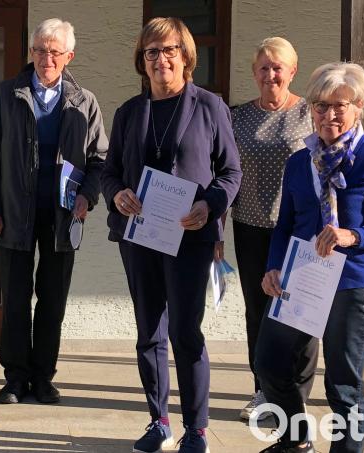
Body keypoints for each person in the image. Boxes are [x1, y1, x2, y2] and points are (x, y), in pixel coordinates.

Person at [256, 62, 364, 453]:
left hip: (352, 284)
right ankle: (294, 443)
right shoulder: (299, 161)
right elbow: (285, 226)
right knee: (269, 361)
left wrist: (353, 234)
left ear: (359, 105)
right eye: (320, 106)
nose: (328, 115)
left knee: (343, 386)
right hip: (301, 278)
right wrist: (273, 267)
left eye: (338, 106)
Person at [100, 17, 241, 453]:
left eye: (169, 50)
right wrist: (118, 193)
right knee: (149, 332)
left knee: (185, 331)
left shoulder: (209, 106)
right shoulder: (128, 112)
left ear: (186, 56)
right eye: (151, 52)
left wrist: (211, 205)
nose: (160, 59)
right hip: (140, 236)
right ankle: (158, 420)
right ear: (141, 61)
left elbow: (231, 171)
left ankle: (196, 429)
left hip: (190, 236)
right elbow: (109, 172)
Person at [0, 18, 107, 405]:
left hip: (63, 217)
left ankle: (43, 377)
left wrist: (88, 196)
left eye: (54, 51)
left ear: (69, 56)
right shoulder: (6, 95)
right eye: (39, 50)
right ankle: (15, 378)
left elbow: (100, 158)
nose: (46, 58)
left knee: (53, 300)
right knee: (16, 300)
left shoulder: (85, 101)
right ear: (31, 53)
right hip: (15, 213)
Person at [227, 37, 317, 421]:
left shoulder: (311, 115)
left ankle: (296, 394)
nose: (271, 74)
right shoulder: (237, 116)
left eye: (278, 67)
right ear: (254, 73)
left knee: (300, 313)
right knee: (258, 310)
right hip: (249, 226)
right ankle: (262, 389)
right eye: (263, 67)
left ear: (292, 71)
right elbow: (224, 173)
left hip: (300, 232)